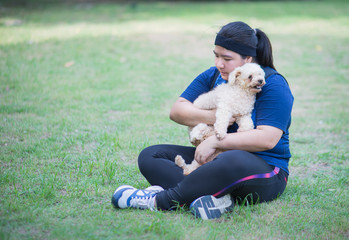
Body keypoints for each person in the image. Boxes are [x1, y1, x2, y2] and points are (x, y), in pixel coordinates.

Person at [111, 21, 294, 220]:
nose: (219, 64)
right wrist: (215, 116)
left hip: (265, 171)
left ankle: (157, 200)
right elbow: (177, 110)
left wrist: (215, 141)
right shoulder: (215, 75)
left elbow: (267, 139)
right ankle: (218, 199)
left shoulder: (273, 84)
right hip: (216, 158)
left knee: (231, 158)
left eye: (227, 58)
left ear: (247, 59)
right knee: (150, 155)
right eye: (216, 55)